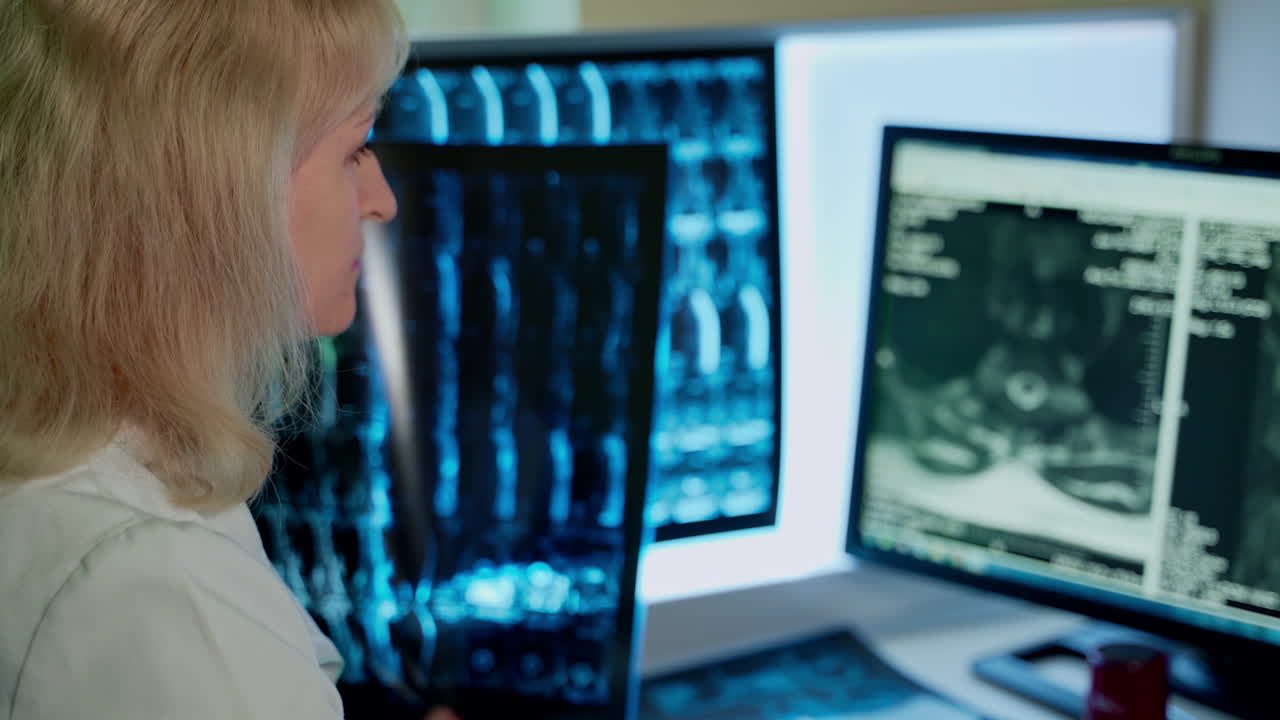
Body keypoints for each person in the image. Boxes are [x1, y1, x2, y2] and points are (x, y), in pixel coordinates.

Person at [0, 2, 454, 718]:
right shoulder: (152, 587)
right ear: (226, 189)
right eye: (354, 150)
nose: (382, 200)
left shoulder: (66, 476)